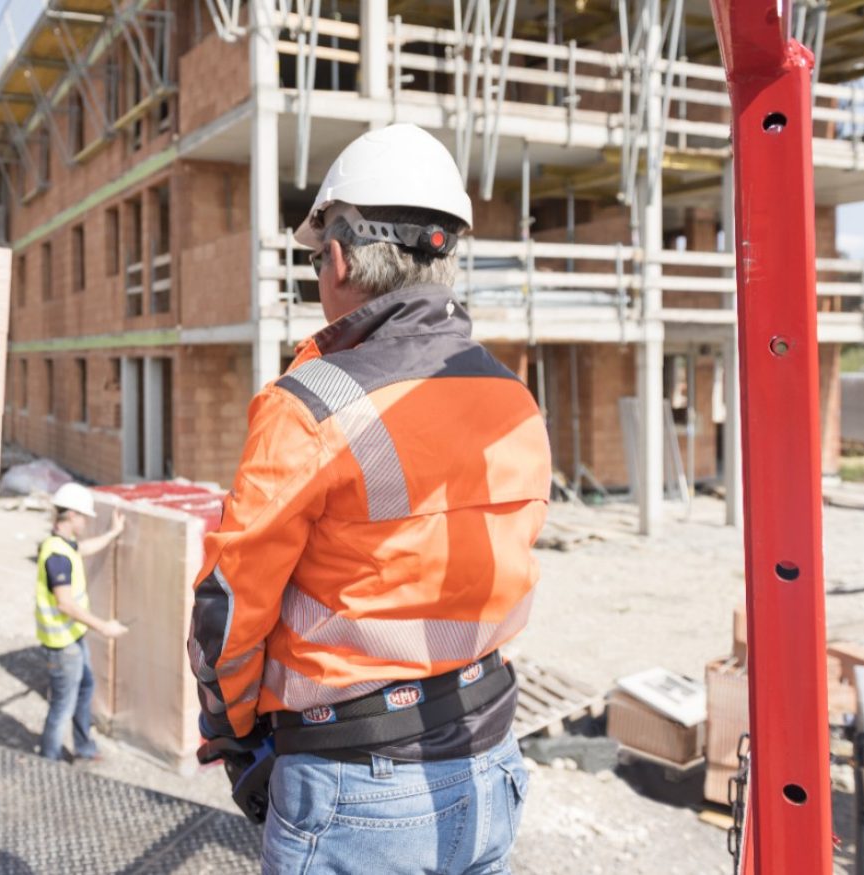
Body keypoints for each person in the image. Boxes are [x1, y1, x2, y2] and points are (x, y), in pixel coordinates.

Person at [188, 124, 552, 873]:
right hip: (489, 757)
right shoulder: (511, 397)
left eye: (319, 257)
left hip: (358, 786)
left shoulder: (311, 404)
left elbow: (228, 605)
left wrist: (231, 732)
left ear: (343, 255)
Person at [37, 482, 128, 762]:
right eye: (84, 516)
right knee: (61, 707)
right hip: (63, 645)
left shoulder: (62, 545)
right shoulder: (56, 556)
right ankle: (49, 761)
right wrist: (104, 627)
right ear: (72, 515)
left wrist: (113, 533)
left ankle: (84, 747)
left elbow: (84, 548)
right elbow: (65, 603)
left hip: (72, 638)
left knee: (85, 687)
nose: (87, 521)